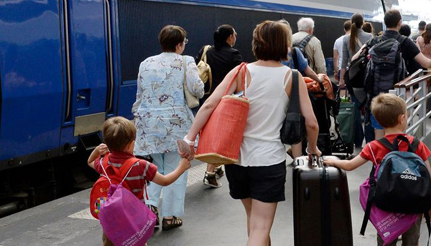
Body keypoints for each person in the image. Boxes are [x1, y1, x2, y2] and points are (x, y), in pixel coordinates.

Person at [182, 20, 321, 246]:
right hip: (268, 161)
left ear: (256, 43)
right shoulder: (292, 77)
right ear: (284, 45)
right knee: (260, 227)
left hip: (236, 160)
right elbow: (312, 123)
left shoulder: (240, 71)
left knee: (253, 221)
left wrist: (190, 138)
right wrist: (312, 148)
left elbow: (208, 106)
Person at [323, 94, 431, 246]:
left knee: (386, 241)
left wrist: (331, 160)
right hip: (414, 205)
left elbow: (350, 165)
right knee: (412, 242)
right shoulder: (416, 145)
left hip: (387, 204)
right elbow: (430, 177)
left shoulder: (374, 146)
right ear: (402, 118)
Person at [132, 25, 204, 229]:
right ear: (180, 44)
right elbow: (197, 90)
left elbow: (140, 95)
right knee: (176, 167)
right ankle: (170, 216)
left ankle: (151, 207)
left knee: (154, 168)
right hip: (176, 124)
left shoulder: (145, 63)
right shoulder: (186, 61)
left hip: (149, 124)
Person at [87, 117, 191, 245]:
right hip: (133, 221)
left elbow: (90, 161)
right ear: (131, 144)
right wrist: (181, 167)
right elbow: (165, 181)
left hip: (111, 221)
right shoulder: (141, 165)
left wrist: (97, 151)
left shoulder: (104, 162)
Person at [365, 9, 431, 139]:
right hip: (398, 93)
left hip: (376, 94)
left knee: (379, 137)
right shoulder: (405, 42)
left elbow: (357, 59)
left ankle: (379, 159)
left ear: (385, 23)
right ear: (400, 23)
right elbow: (424, 63)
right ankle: (395, 156)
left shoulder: (375, 41)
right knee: (397, 133)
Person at [196, 25, 243, 188]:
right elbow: (240, 77)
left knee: (211, 132)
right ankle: (209, 173)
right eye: (235, 34)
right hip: (225, 100)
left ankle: (216, 168)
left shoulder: (207, 51)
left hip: (208, 97)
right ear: (230, 37)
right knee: (220, 136)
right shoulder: (234, 54)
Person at [340, 13, 375, 146]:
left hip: (352, 78)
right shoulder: (369, 36)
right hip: (366, 76)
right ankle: (370, 138)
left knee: (355, 107)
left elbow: (344, 61)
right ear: (363, 23)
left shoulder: (345, 39)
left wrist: (342, 79)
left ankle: (358, 139)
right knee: (368, 106)